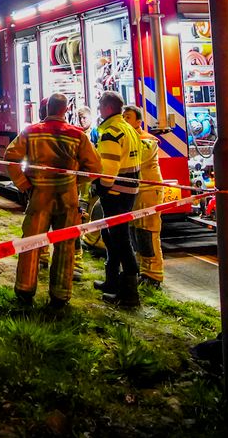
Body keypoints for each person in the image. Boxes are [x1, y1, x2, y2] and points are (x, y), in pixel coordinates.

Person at [5, 92, 100, 308]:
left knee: (31, 244)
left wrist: (24, 184)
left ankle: (24, 291)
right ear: (65, 110)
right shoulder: (78, 135)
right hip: (67, 199)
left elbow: (10, 157)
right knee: (65, 245)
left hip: (39, 196)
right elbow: (95, 168)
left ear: (47, 110)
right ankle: (60, 295)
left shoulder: (30, 132)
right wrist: (74, 181)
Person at [93, 91, 142, 307]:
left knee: (120, 239)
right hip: (128, 190)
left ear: (107, 108)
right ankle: (111, 282)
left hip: (115, 192)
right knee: (110, 235)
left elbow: (109, 168)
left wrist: (100, 187)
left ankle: (129, 293)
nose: (99, 110)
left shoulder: (111, 132)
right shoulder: (129, 129)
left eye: (100, 106)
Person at [124, 105, 164, 290]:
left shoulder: (147, 141)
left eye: (128, 117)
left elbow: (133, 159)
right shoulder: (130, 139)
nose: (124, 120)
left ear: (138, 122)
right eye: (123, 116)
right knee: (136, 233)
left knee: (148, 233)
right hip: (137, 191)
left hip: (148, 191)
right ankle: (144, 271)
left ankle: (154, 275)